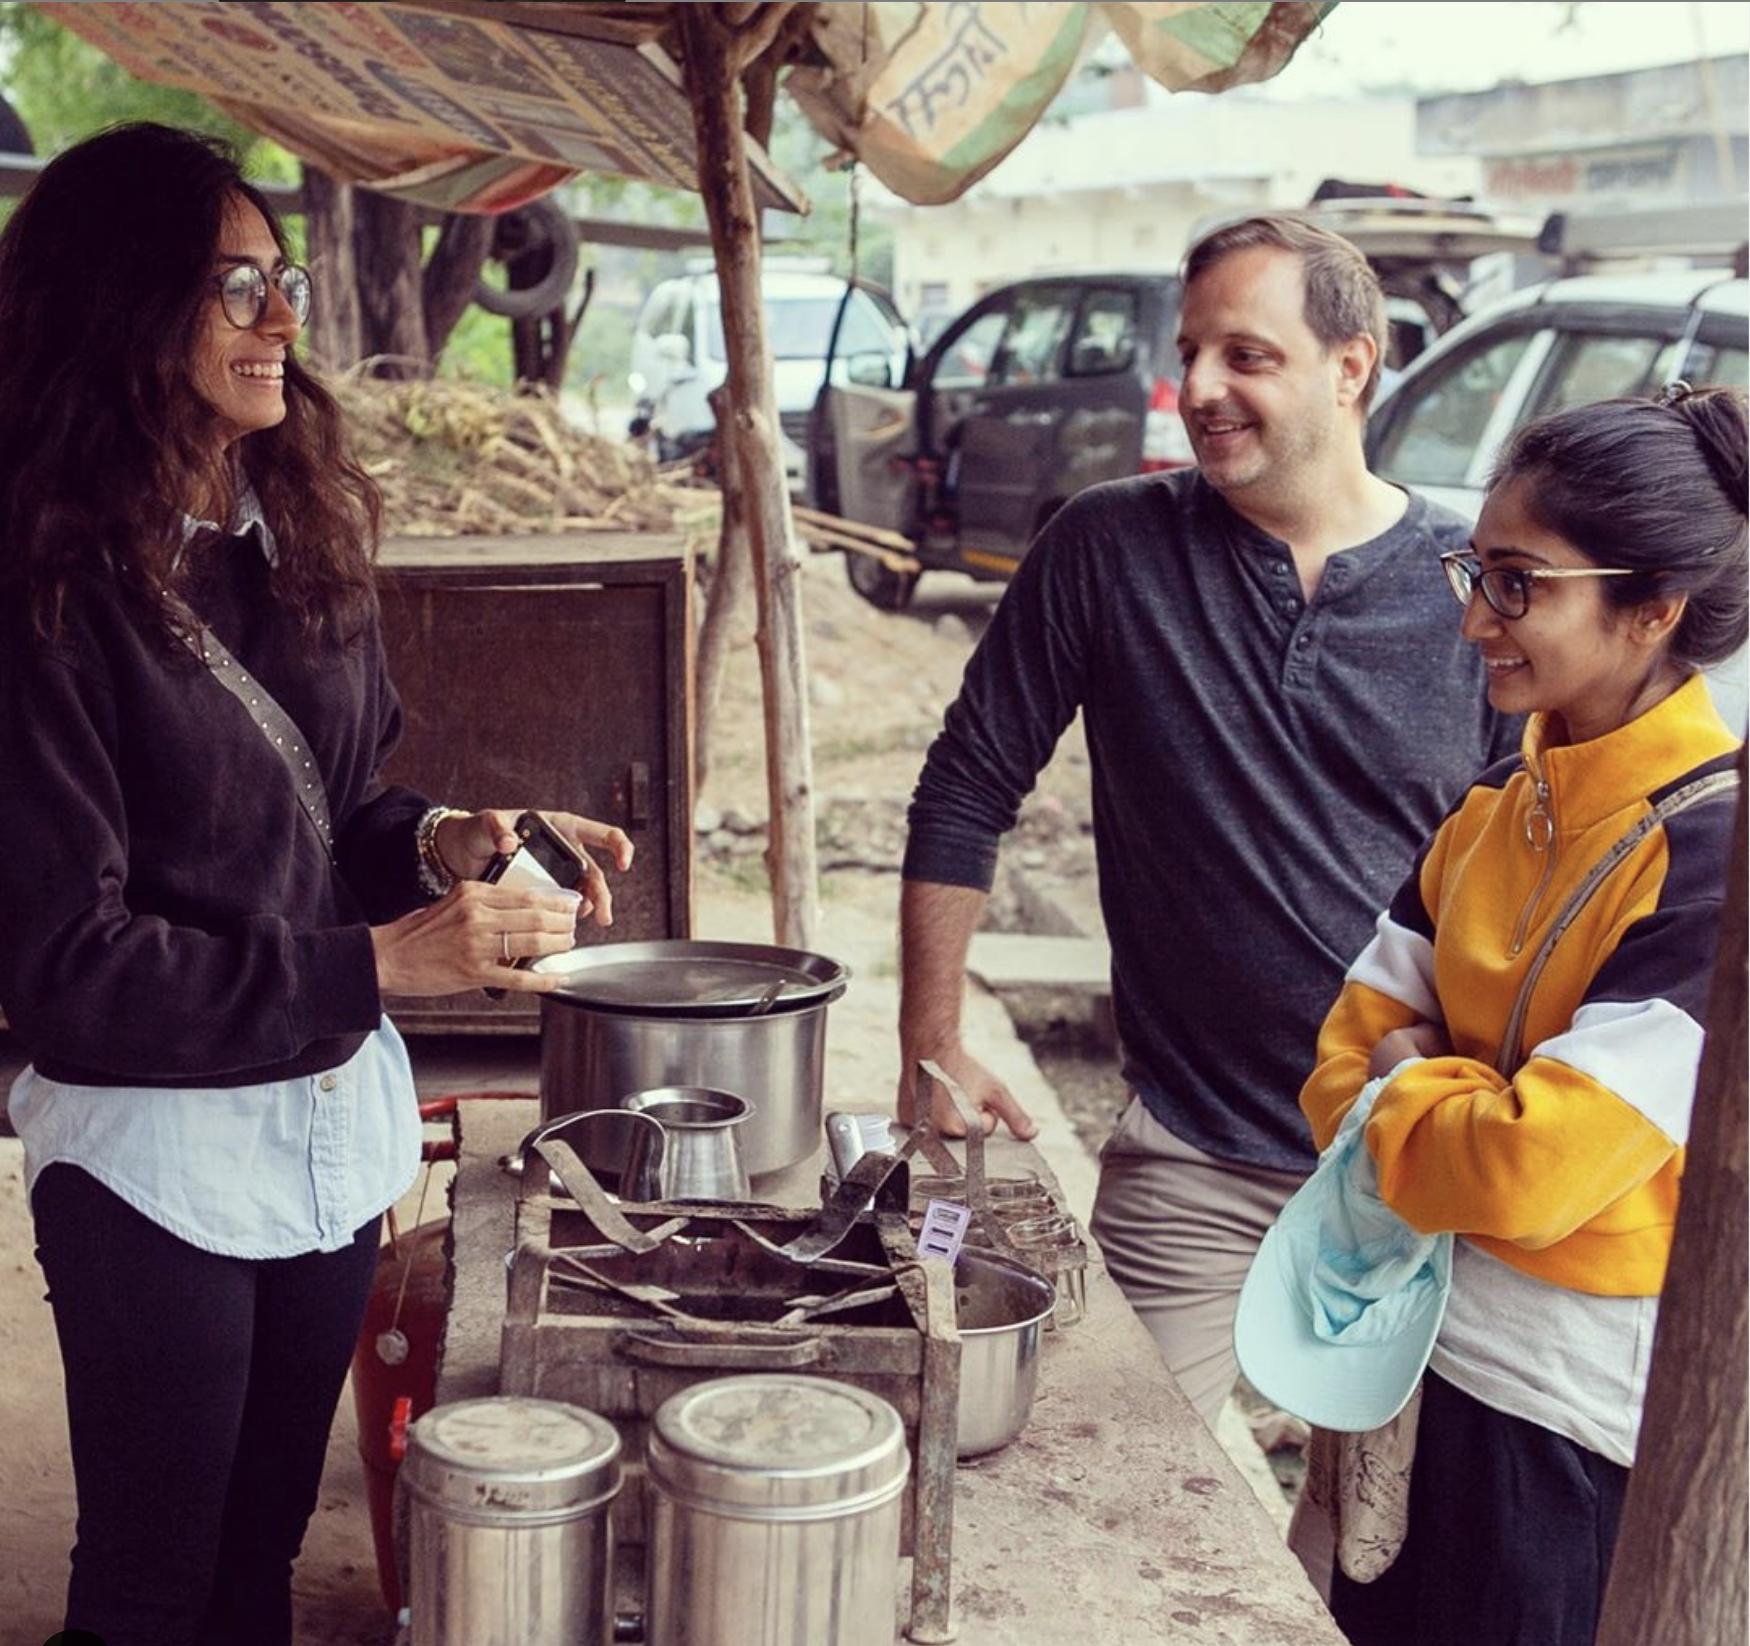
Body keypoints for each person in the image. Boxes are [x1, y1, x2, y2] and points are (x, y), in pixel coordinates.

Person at [0, 124, 632, 1646]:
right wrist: (382, 965)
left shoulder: (293, 531)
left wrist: (446, 845)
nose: (284, 317)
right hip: (154, 1156)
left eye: (281, 279)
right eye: (235, 287)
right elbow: (64, 965)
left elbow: (338, 805)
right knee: (151, 1586)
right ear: (119, 307)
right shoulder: (39, 592)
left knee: (260, 1565)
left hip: (321, 1130)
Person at [896, 214, 1518, 1425]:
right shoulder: (1106, 547)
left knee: (1380, 1561)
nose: (1202, 389)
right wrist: (932, 1039)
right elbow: (969, 779)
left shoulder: (1471, 587)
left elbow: (1533, 869)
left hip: (1417, 1171)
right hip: (1191, 1156)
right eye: (1191, 354)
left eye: (1248, 354)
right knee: (1091, 1480)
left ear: (1352, 364)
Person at [1297, 385, 1746, 1646]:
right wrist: (1425, 1088)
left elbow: (1525, 1170)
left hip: (1558, 1424)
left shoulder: (1713, 862)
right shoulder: (1499, 808)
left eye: (1515, 583)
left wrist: (1409, 1070)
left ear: (1651, 608)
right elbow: (1335, 1053)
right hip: (1410, 1366)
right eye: (1473, 568)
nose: (1470, 616)